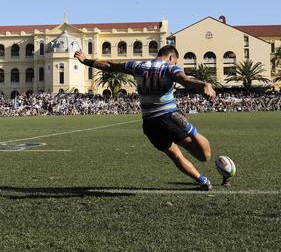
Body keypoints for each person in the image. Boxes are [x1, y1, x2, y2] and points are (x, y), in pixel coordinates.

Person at [75, 44, 228, 191]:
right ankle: (189, 128)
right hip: (169, 118)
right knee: (204, 155)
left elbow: (109, 65)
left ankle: (203, 181)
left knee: (175, 156)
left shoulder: (138, 66)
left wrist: (85, 60)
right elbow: (185, 80)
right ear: (171, 57)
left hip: (149, 124)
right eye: (175, 60)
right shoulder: (170, 68)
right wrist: (205, 84)